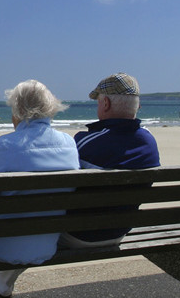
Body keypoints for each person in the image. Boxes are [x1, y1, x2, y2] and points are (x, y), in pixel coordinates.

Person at [0, 80, 79, 297]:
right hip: (46, 244)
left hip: (1, 247)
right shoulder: (69, 144)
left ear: (17, 109)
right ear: (51, 107)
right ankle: (4, 280)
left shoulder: (6, 145)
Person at [59, 72, 161, 249]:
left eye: (98, 102)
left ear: (105, 104)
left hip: (78, 235)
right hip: (119, 233)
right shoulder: (149, 142)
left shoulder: (87, 142)